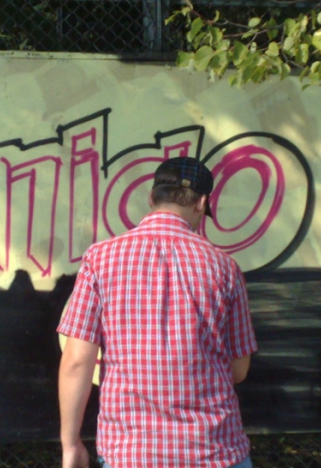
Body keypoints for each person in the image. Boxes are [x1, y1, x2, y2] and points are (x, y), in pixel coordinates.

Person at [57, 156, 258, 468]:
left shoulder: (100, 259)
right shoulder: (225, 268)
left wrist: (71, 445)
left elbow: (76, 361)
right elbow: (238, 369)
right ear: (202, 203)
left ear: (152, 197)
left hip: (130, 453)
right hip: (215, 452)